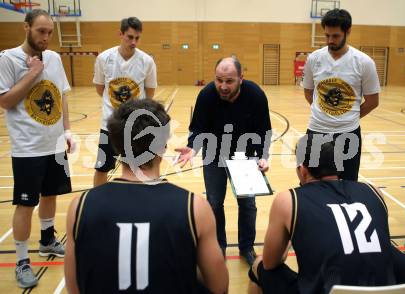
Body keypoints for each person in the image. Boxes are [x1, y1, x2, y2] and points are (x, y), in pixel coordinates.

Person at [64, 99, 229, 293]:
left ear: (116, 146)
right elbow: (219, 288)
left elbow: (74, 287)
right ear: (162, 147)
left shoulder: (80, 206)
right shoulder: (195, 207)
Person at [248, 135, 405, 294]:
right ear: (337, 168)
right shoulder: (373, 191)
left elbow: (271, 263)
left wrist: (289, 235)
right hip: (384, 288)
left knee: (258, 265)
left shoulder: (288, 200)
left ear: (303, 170)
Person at [0, 9, 74, 289]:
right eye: (41, 31)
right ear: (26, 27)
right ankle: (21, 261)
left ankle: (47, 241)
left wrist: (66, 130)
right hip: (27, 148)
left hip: (53, 143)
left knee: (51, 194)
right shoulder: (8, 59)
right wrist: (32, 72)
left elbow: (62, 95)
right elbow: (5, 101)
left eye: (50, 32)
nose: (46, 37)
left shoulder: (54, 58)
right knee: (25, 203)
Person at [175, 56, 272, 266]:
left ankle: (246, 247)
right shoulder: (207, 95)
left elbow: (264, 130)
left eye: (229, 81)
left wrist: (263, 156)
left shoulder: (255, 95)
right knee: (214, 203)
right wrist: (193, 146)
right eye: (219, 80)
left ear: (241, 79)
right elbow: (198, 128)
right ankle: (219, 245)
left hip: (245, 156)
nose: (223, 86)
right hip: (214, 154)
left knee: (247, 204)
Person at [301, 8, 380, 181]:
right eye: (327, 35)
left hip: (348, 133)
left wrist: (349, 117)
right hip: (316, 130)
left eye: (335, 36)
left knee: (348, 183)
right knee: (309, 182)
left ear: (348, 31)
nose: (330, 40)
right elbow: (308, 92)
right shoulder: (314, 59)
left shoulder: (364, 62)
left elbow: (373, 101)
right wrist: (324, 112)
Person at [93, 16, 157, 187]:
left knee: (139, 167)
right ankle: (97, 202)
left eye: (137, 38)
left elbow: (149, 93)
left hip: (136, 126)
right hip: (109, 125)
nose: (134, 42)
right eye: (130, 37)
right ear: (120, 34)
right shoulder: (104, 58)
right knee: (102, 168)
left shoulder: (147, 61)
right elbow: (100, 89)